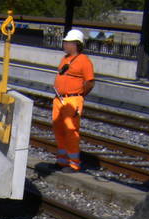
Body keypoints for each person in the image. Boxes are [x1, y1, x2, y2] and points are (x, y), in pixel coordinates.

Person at [51, 29, 94, 173]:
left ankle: (74, 164)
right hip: (59, 99)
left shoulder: (84, 61)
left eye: (67, 42)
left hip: (72, 100)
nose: (64, 44)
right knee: (59, 130)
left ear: (76, 44)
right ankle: (62, 161)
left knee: (71, 131)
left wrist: (79, 96)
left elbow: (89, 82)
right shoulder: (65, 59)